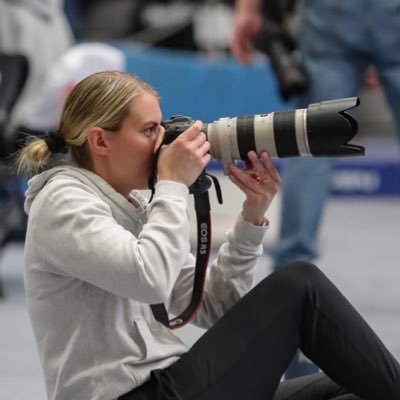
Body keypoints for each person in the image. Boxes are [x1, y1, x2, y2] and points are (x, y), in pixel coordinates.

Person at [16, 70, 400, 400]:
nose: (163, 142)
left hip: (172, 383)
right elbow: (148, 279)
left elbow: (216, 305)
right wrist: (171, 186)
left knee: (348, 385)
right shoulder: (62, 202)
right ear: (100, 141)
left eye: (162, 127)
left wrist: (251, 219)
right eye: (149, 131)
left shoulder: (132, 200)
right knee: (300, 285)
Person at [230, 0, 400, 378]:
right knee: (310, 141)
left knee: (311, 143)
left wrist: (249, 10)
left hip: (332, 13)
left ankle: (291, 293)